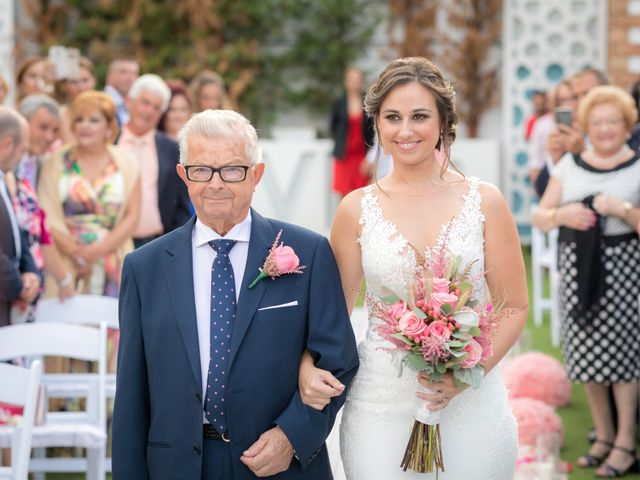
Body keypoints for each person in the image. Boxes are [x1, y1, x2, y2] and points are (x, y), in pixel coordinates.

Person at [299, 57, 528, 479]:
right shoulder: (355, 209)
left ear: (443, 122)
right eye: (393, 117)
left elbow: (512, 306)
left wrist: (467, 374)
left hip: (470, 402)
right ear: (377, 126)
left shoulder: (486, 202)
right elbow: (331, 313)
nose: (406, 131)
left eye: (420, 116)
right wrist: (307, 365)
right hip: (380, 402)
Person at [112, 109, 359, 479]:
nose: (215, 184)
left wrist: (292, 436)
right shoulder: (144, 267)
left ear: (256, 174)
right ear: (183, 175)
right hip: (176, 465)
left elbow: (338, 360)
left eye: (231, 169)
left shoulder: (308, 252)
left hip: (277, 465)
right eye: (201, 170)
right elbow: (131, 392)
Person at [533, 85, 640, 478]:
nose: (606, 129)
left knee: (624, 358)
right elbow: (540, 214)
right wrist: (562, 216)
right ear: (586, 126)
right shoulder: (569, 165)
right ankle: (604, 435)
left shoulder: (638, 165)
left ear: (628, 126)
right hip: (578, 268)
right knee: (588, 354)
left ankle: (626, 442)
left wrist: (623, 209)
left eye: (613, 121)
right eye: (597, 122)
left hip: (625, 270)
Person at [38, 91, 141, 298]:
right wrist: (77, 254)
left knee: (115, 325)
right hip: (66, 260)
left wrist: (97, 251)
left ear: (109, 127)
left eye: (93, 120)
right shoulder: (55, 162)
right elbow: (45, 213)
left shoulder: (127, 163)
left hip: (114, 259)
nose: (84, 126)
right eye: (79, 120)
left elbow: (133, 216)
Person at [117, 74, 191, 247]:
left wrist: (173, 245)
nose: (149, 111)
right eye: (145, 103)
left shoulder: (172, 149)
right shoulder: (110, 140)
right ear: (129, 102)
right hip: (110, 243)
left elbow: (182, 205)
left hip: (153, 242)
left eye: (157, 107)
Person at [0, 107, 40, 327]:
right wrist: (18, 285)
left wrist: (31, 272)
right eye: (22, 149)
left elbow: (16, 233)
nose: (22, 157)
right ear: (7, 144)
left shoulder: (5, 179)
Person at [330, 67, 375, 197]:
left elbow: (372, 129)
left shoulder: (368, 102)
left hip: (361, 155)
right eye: (351, 80)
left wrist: (370, 156)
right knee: (343, 193)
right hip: (344, 155)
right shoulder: (339, 103)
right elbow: (333, 126)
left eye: (357, 80)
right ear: (346, 82)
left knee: (363, 193)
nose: (354, 83)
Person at [16, 94, 61, 188]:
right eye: (43, 127)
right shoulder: (5, 163)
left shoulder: (47, 167)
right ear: (23, 122)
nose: (49, 137)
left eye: (55, 130)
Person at [57, 56, 97, 142]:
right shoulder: (61, 114)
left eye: (85, 80)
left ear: (94, 80)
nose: (81, 87)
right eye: (74, 82)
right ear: (64, 85)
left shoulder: (106, 111)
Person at [104, 58, 140, 127]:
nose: (129, 77)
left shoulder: (136, 105)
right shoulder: (99, 102)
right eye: (123, 72)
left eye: (134, 73)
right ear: (110, 76)